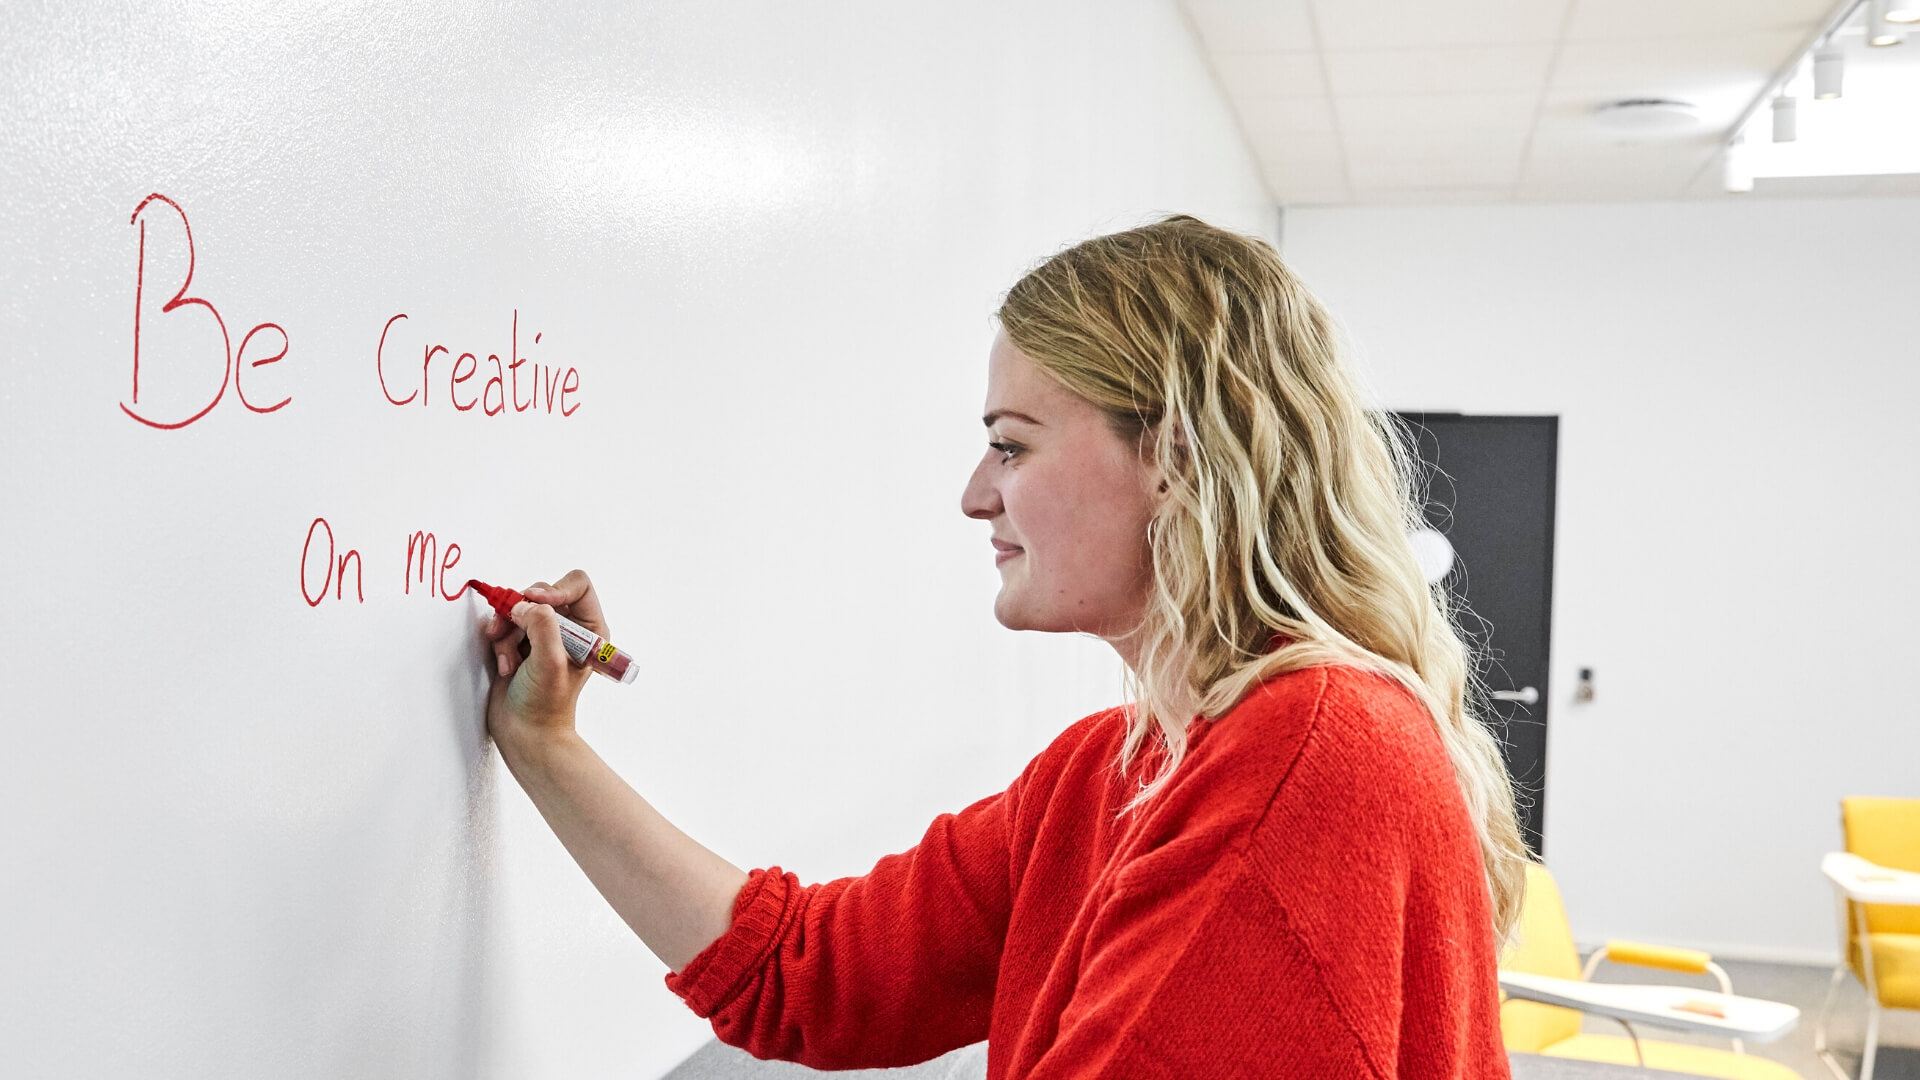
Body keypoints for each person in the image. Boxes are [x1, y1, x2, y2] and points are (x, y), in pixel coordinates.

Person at [484, 215, 1530, 1078]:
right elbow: (808, 977)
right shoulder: (1112, 772)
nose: (976, 495)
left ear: (1172, 457)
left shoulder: (1309, 750)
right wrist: (548, 745)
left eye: (1011, 444)